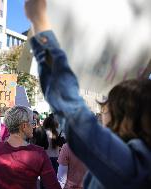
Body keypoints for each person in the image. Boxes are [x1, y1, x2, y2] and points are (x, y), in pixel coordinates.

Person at [24, 0, 151, 188]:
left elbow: (73, 113)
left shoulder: (137, 167)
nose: (101, 114)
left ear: (123, 115)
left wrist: (40, 24)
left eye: (106, 108)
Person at [0, 105, 61, 189]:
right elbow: (53, 186)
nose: (34, 126)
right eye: (32, 122)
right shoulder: (39, 153)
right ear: (24, 126)